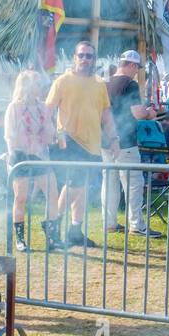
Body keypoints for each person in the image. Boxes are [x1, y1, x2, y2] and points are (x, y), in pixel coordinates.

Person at [46, 41, 119, 249]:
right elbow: (48, 110)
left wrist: (114, 139)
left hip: (93, 145)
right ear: (74, 57)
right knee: (72, 186)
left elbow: (106, 114)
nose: (86, 59)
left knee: (82, 189)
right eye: (82, 55)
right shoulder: (62, 81)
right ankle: (53, 228)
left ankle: (75, 232)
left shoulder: (99, 84)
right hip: (69, 141)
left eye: (90, 56)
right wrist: (53, 134)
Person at [104, 50, 159, 237]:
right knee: (133, 183)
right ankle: (136, 224)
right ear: (132, 65)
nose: (137, 72)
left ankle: (109, 222)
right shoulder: (130, 84)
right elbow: (137, 113)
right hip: (125, 141)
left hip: (106, 140)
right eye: (136, 68)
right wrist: (150, 113)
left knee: (109, 182)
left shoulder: (106, 82)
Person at [4, 68, 57, 251]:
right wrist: (18, 152)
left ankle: (51, 236)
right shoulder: (14, 107)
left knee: (52, 193)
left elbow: (50, 133)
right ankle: (20, 239)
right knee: (21, 197)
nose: (40, 86)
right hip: (20, 156)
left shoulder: (43, 106)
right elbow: (10, 136)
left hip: (41, 155)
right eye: (36, 82)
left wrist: (50, 133)